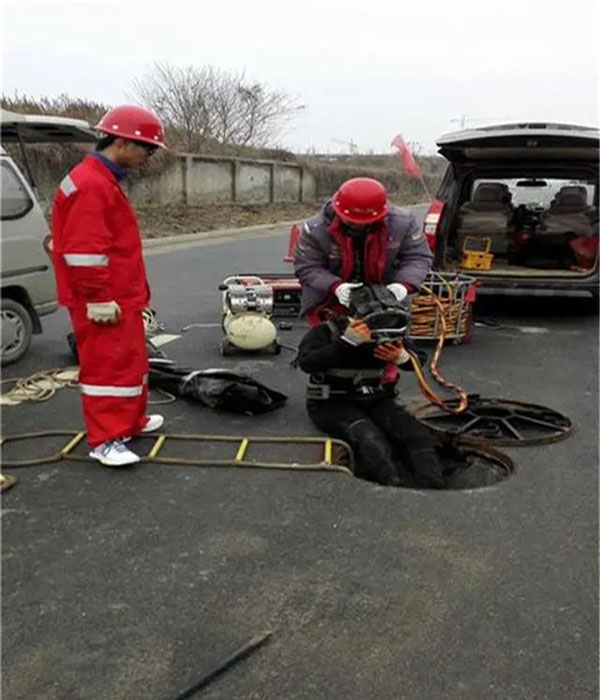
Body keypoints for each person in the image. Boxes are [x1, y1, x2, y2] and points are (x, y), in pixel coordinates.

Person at [51, 105, 166, 467]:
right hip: (102, 299)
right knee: (106, 369)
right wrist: (98, 298)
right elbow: (84, 251)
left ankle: (129, 423)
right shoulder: (91, 185)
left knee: (130, 362)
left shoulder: (99, 179)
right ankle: (104, 440)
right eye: (147, 148)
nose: (148, 157)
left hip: (120, 296)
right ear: (122, 142)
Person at [296, 284, 450, 488]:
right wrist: (346, 343)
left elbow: (417, 360)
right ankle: (393, 486)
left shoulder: (392, 331)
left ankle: (432, 486)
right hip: (332, 401)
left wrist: (402, 357)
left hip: (376, 398)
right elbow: (307, 362)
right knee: (370, 439)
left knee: (416, 435)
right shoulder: (328, 331)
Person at [293, 177, 433, 326]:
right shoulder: (315, 229)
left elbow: (418, 257)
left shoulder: (403, 223)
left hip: (387, 299)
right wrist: (335, 286)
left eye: (365, 223)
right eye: (351, 222)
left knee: (392, 339)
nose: (357, 227)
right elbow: (308, 267)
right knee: (326, 339)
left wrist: (404, 285)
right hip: (329, 301)